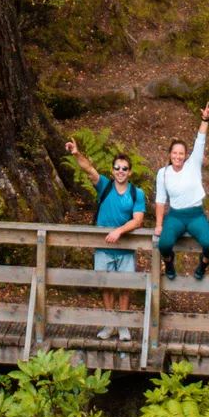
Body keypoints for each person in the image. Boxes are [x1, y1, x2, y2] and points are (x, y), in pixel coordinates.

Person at [65, 138, 147, 334]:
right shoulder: (105, 186)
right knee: (106, 286)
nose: (120, 171)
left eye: (124, 168)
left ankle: (123, 325)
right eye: (117, 168)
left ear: (130, 172)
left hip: (126, 247)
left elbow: (138, 220)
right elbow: (89, 169)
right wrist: (76, 153)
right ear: (112, 171)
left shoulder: (137, 193)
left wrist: (119, 230)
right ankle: (109, 323)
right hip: (103, 246)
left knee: (125, 286)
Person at [153, 104, 209, 279]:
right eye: (174, 153)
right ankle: (169, 262)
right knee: (164, 245)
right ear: (169, 154)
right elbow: (160, 200)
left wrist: (204, 120)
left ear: (186, 155)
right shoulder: (163, 173)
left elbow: (200, 139)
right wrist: (159, 224)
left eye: (181, 153)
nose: (178, 156)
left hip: (196, 214)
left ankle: (203, 264)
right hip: (176, 216)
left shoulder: (193, 164)